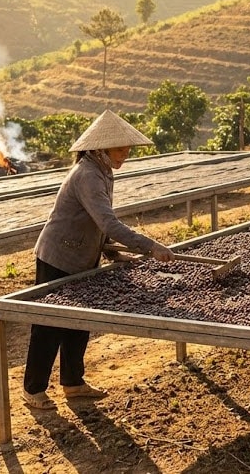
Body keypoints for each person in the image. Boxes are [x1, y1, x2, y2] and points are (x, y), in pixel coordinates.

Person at [22, 110, 174, 410]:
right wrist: (149, 246)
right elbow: (108, 222)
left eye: (127, 150)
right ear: (101, 149)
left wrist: (112, 253)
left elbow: (97, 224)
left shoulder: (103, 171)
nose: (125, 155)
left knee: (80, 321)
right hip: (59, 255)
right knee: (49, 324)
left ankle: (73, 382)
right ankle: (33, 389)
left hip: (82, 254)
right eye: (120, 150)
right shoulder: (88, 175)